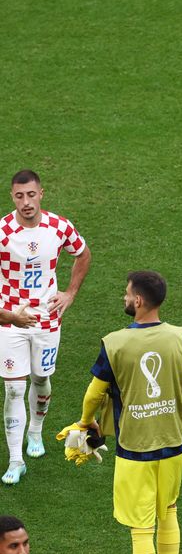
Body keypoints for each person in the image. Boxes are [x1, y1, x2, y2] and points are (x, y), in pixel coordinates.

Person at [71, 271, 182, 554]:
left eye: (127, 292)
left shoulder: (115, 343)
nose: (124, 296)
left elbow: (94, 395)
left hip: (134, 447)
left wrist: (86, 422)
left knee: (141, 527)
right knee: (169, 509)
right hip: (174, 442)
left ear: (138, 300)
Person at [1, 169, 92, 485]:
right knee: (13, 388)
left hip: (47, 320)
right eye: (19, 195)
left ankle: (35, 432)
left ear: (41, 193)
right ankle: (16, 460)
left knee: (41, 380)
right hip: (10, 321)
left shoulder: (59, 226)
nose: (25, 202)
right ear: (12, 196)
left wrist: (70, 293)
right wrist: (10, 317)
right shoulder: (2, 233)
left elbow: (82, 254)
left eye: (31, 194)